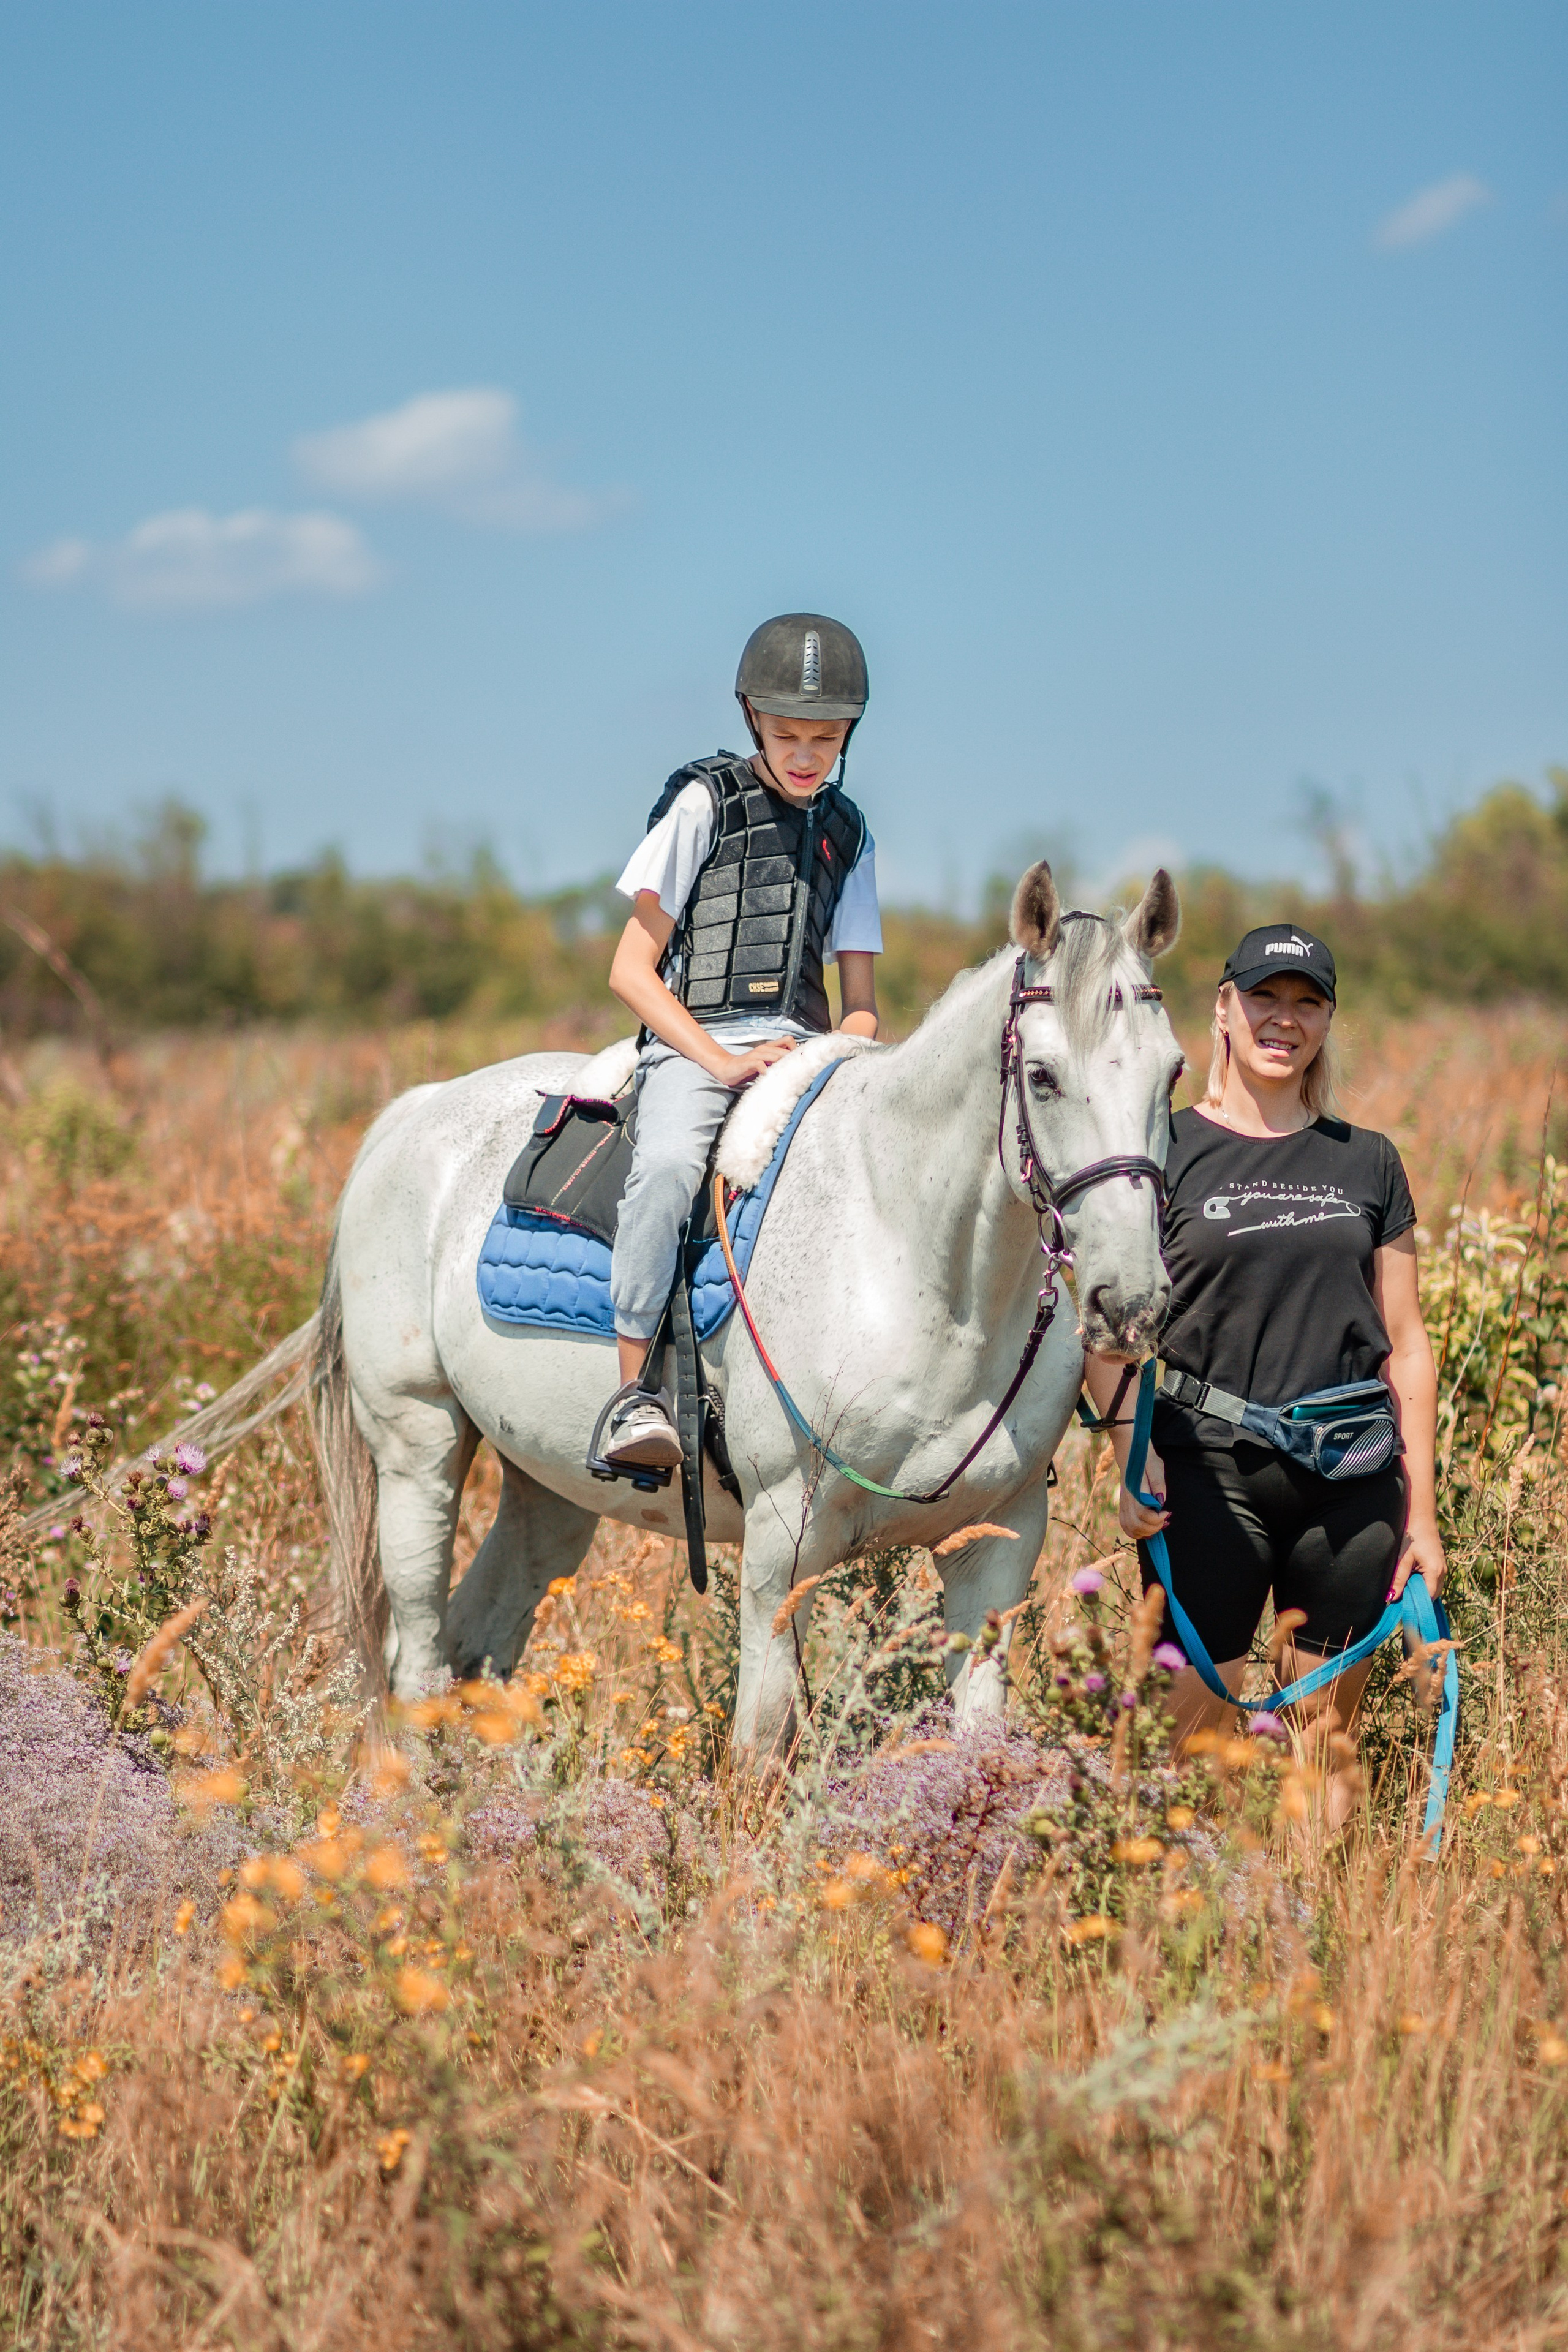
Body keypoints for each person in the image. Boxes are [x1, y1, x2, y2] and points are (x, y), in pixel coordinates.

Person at [1084, 924, 1446, 1820]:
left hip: (1353, 1480)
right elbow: (1108, 1331)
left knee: (1326, 1746)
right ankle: (1179, 1937)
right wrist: (1133, 1455)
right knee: (1186, 1750)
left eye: (1307, 1002)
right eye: (1265, 997)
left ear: (1327, 1019)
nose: (1284, 1020)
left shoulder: (1369, 1161)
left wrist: (1424, 1516)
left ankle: (1313, 1944)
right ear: (1223, 1007)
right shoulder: (1162, 1150)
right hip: (1204, 1471)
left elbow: (1408, 1343)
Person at [599, 614, 883, 1469]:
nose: (805, 755)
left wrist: (825, 1054)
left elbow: (862, 1006)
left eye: (825, 739)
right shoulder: (703, 804)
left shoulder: (854, 834)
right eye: (789, 735)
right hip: (695, 1044)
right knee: (670, 1168)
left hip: (802, 1050)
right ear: (753, 720)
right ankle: (631, 1395)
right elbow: (631, 971)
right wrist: (722, 1062)